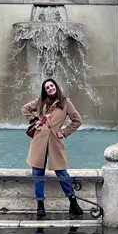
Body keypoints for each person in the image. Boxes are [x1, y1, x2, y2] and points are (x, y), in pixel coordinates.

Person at [22, 79, 84, 220]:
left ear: (56, 86)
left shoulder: (65, 102)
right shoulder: (40, 101)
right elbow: (25, 108)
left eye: (51, 86)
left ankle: (73, 202)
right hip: (39, 139)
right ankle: (40, 205)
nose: (50, 88)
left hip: (56, 140)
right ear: (45, 90)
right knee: (38, 172)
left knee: (62, 172)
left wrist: (64, 132)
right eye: (47, 87)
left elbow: (77, 120)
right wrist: (33, 120)